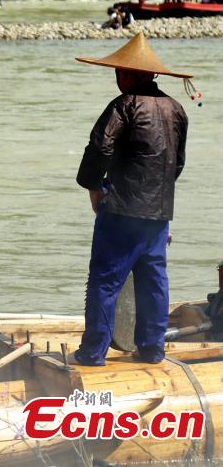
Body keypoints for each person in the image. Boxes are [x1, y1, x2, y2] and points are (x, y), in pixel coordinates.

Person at [72, 33, 190, 367]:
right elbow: (177, 163)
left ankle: (92, 354)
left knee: (105, 281)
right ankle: (152, 350)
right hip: (159, 214)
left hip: (122, 211)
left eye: (119, 72)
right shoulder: (176, 109)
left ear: (127, 74)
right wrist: (158, 198)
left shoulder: (123, 105)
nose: (117, 77)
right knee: (154, 280)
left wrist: (94, 188)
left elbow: (99, 148)